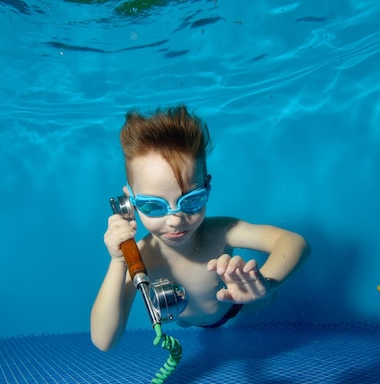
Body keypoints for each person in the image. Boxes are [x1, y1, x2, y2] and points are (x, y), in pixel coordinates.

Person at [90, 105, 309, 351]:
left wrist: (267, 284)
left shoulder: (220, 231)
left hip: (234, 305)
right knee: (183, 322)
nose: (175, 220)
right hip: (186, 318)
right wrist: (118, 261)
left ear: (208, 188)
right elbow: (103, 341)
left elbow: (294, 243)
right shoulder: (138, 260)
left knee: (263, 300)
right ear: (129, 203)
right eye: (153, 206)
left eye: (191, 201)